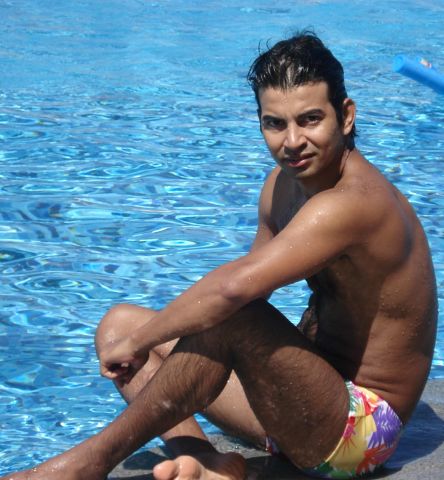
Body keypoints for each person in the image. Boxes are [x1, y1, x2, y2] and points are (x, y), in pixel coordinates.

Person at [2, 31, 437, 480]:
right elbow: (252, 291)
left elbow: (233, 292)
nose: (292, 141)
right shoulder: (282, 186)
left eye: (310, 120)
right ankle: (205, 459)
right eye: (275, 123)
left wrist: (143, 342)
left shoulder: (355, 202)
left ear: (345, 116)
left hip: (360, 434)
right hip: (296, 408)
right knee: (119, 326)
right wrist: (136, 338)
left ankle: (89, 463)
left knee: (228, 313)